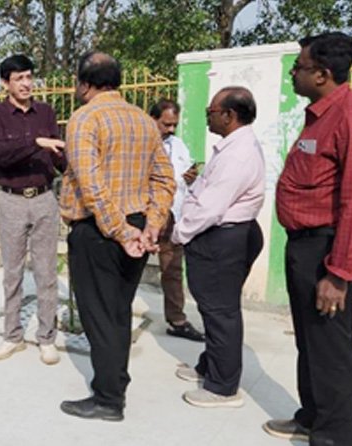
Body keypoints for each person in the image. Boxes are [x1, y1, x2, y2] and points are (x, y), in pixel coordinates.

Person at [264, 32, 352, 446]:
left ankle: (333, 437)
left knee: (331, 349)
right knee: (310, 341)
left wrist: (339, 273)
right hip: (305, 246)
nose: (292, 74)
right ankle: (312, 417)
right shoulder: (320, 115)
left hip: (328, 250)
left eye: (298, 67)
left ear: (322, 73)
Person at [59, 52, 175, 421]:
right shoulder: (144, 120)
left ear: (84, 84)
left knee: (99, 315)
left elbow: (92, 186)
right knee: (118, 310)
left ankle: (108, 399)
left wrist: (121, 232)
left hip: (100, 230)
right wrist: (151, 224)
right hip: (135, 225)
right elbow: (165, 179)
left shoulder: (84, 118)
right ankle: (116, 380)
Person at [171, 87, 265, 408]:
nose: (208, 118)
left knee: (221, 311)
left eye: (210, 112)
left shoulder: (238, 154)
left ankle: (222, 387)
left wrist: (179, 233)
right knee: (213, 308)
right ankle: (211, 365)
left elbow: (210, 207)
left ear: (229, 115)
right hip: (224, 234)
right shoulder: (232, 146)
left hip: (222, 237)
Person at [0, 55, 67, 365]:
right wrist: (36, 142)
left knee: (46, 272)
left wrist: (67, 164)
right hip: (12, 200)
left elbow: (56, 154)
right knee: (13, 272)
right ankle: (12, 336)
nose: (27, 84)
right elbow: (0, 154)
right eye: (19, 78)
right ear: (6, 83)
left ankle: (47, 338)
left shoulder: (46, 112)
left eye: (29, 77)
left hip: (44, 198)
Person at [149, 99, 204, 342]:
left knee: (172, 270)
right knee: (128, 268)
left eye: (174, 125)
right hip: (146, 215)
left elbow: (186, 178)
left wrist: (192, 177)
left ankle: (177, 320)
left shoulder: (177, 145)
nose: (171, 129)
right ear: (153, 119)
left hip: (172, 215)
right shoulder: (140, 142)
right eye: (166, 124)